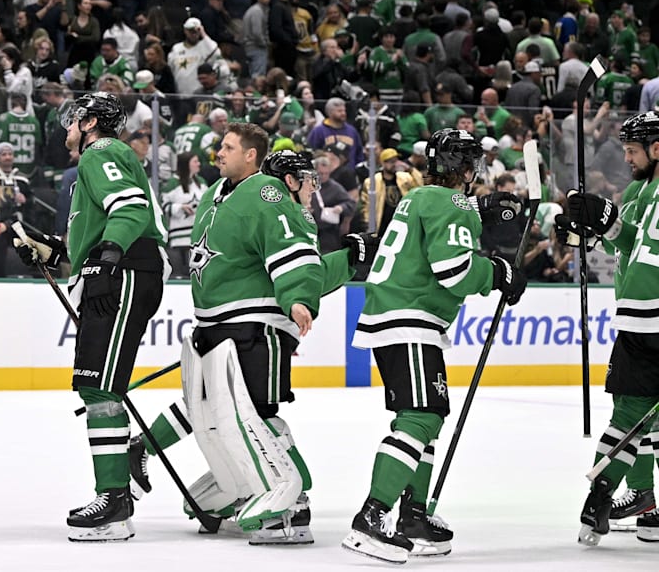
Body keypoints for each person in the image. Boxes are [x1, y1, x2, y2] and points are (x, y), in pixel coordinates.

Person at [133, 125, 365, 545]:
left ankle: (280, 500)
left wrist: (328, 273)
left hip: (230, 323)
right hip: (243, 324)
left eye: (227, 146)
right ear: (289, 179)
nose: (313, 190)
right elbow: (300, 267)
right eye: (307, 181)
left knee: (228, 408)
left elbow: (293, 267)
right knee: (239, 409)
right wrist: (334, 271)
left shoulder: (229, 195)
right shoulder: (266, 199)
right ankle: (275, 498)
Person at [343, 128, 526, 562]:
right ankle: (372, 516)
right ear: (465, 168)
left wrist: (481, 212)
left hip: (397, 316)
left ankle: (413, 515)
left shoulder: (418, 197)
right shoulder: (452, 202)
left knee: (428, 419)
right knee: (421, 416)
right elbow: (455, 271)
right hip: (410, 318)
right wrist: (498, 273)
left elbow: (442, 234)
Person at [9, 91, 168, 541]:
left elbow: (131, 208)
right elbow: (94, 234)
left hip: (128, 272)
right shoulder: (93, 167)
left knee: (101, 386)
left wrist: (111, 254)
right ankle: (114, 495)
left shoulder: (102, 151)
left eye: (73, 120)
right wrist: (54, 249)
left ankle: (115, 502)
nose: (67, 129)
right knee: (95, 385)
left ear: (92, 122)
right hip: (117, 272)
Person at [559, 111, 659, 545]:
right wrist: (599, 221)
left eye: (634, 150)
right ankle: (640, 499)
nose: (627, 158)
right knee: (633, 415)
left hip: (650, 314)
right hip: (637, 316)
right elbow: (632, 239)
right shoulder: (641, 190)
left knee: (635, 416)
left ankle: (616, 497)